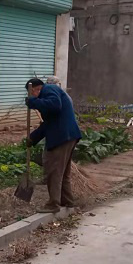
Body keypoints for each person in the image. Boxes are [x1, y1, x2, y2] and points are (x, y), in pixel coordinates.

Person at [25, 78, 82, 213]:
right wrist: (33, 138)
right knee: (63, 173)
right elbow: (48, 123)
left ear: (35, 89)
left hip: (62, 137)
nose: (31, 96)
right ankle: (67, 201)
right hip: (68, 136)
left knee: (54, 171)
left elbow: (55, 105)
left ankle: (53, 204)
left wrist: (34, 102)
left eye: (31, 93)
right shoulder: (49, 94)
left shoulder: (49, 89)